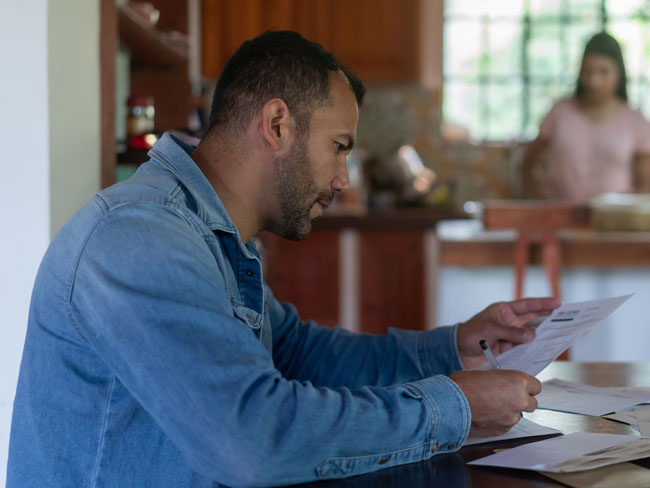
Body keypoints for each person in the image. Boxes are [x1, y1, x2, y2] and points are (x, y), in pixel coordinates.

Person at [7, 31, 559, 487]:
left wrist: (451, 346)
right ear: (277, 125)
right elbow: (251, 441)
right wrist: (452, 408)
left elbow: (297, 353)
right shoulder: (140, 238)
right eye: (339, 146)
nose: (343, 178)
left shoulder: (212, 234)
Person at [523, 31, 650, 201]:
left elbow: (646, 184)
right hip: (563, 214)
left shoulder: (634, 120)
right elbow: (528, 165)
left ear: (618, 74)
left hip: (613, 220)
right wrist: (542, 194)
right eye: (588, 72)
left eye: (603, 72)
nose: (594, 81)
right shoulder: (560, 112)